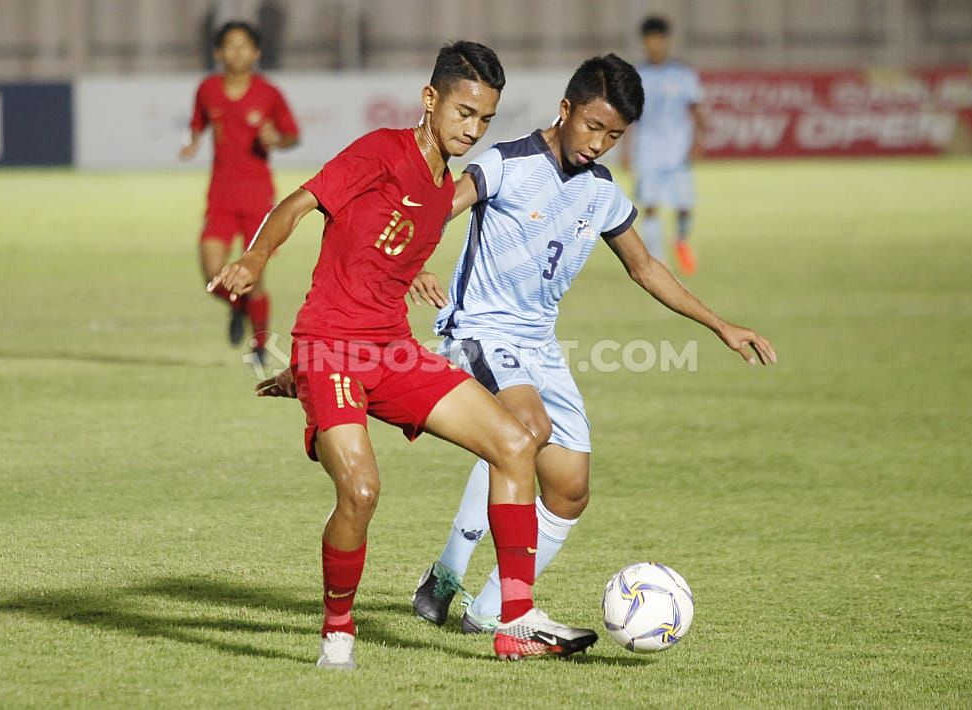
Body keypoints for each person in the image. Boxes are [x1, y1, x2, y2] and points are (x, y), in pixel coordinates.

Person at [209, 41, 598, 670]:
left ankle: (516, 620)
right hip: (332, 348)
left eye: (484, 120)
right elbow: (300, 203)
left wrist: (303, 372)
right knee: (361, 491)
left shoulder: (446, 191)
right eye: (463, 112)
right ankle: (339, 628)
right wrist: (255, 259)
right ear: (430, 100)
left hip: (391, 352)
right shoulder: (381, 151)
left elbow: (380, 266)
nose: (472, 130)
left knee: (516, 442)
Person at [405, 54, 776, 633]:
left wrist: (721, 324)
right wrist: (412, 264)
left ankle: (489, 607)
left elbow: (646, 266)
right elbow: (438, 211)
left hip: (538, 347)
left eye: (615, 135)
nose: (599, 143)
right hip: (480, 330)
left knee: (571, 488)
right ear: (565, 109)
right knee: (527, 432)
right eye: (592, 126)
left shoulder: (602, 193)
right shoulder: (507, 163)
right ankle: (450, 577)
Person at [182, 21, 299, 356]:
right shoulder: (207, 89)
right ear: (218, 52)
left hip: (257, 195)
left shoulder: (269, 93)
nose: (237, 51)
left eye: (244, 44)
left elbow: (291, 135)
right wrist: (189, 142)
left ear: (256, 52)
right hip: (220, 194)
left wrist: (276, 139)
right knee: (211, 270)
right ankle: (240, 307)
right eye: (229, 45)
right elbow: (196, 123)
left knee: (253, 274)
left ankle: (260, 345)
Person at [629, 16, 705, 275]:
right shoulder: (637, 75)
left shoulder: (682, 73)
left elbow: (696, 109)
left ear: (667, 41)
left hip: (678, 150)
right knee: (650, 205)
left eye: (659, 39)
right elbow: (630, 115)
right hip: (648, 150)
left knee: (684, 207)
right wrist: (627, 150)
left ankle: (681, 240)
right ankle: (658, 257)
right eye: (650, 40)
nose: (655, 45)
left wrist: (697, 141)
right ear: (644, 42)